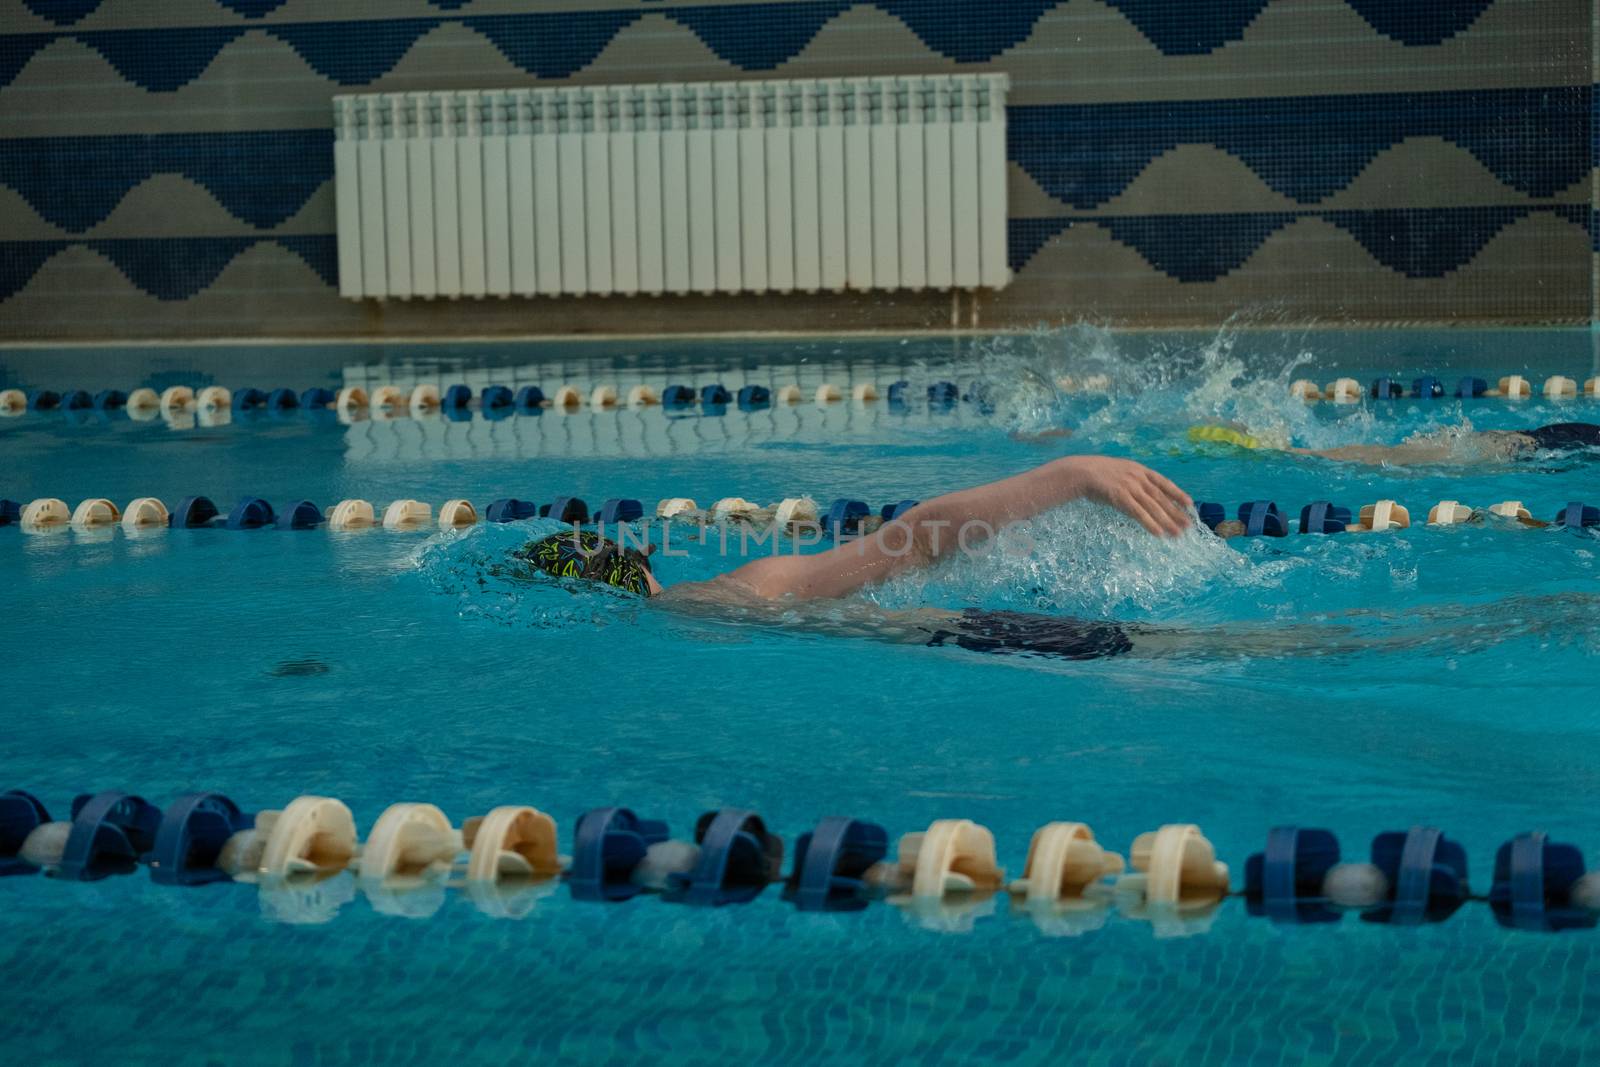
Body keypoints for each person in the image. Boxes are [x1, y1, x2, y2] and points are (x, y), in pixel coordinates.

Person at [512, 455, 1195, 661]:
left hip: (952, 643)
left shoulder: (693, 622)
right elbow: (920, 539)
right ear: (636, 564)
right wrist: (1072, 475)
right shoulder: (741, 587)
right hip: (972, 634)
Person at [1189, 422, 1600, 466]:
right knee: (1400, 457)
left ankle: (1280, 450)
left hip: (1545, 441)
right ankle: (1281, 451)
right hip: (1530, 446)